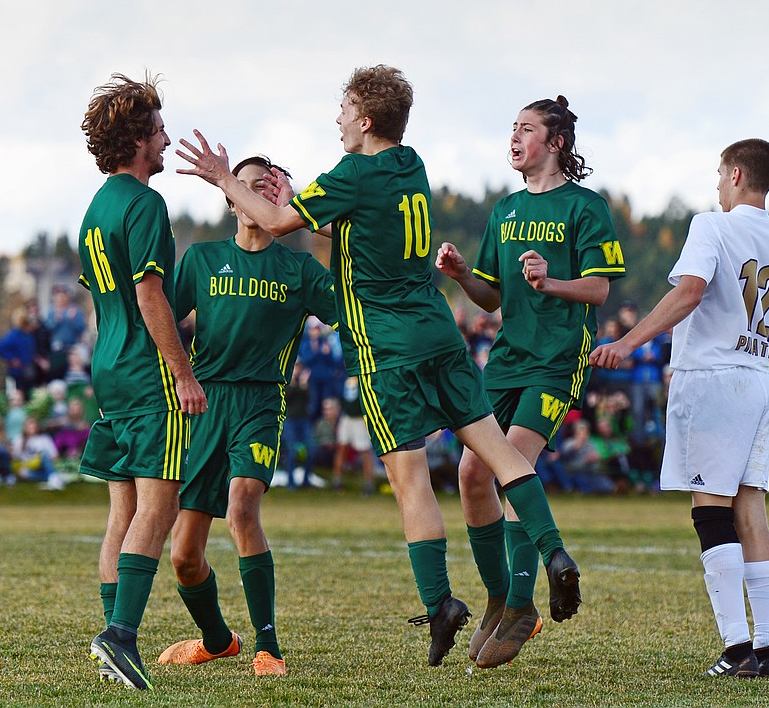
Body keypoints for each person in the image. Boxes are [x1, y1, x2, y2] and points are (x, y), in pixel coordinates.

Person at [177, 65, 582, 667]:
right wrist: (303, 204)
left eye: (342, 112)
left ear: (364, 121)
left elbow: (276, 222)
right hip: (438, 329)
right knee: (497, 451)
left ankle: (441, 601)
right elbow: (347, 222)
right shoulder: (409, 162)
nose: (337, 121)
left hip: (385, 346)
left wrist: (220, 178)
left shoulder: (354, 171)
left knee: (410, 479)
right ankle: (552, 552)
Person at [590, 138, 769, 678]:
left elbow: (690, 291)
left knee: (710, 510)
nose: (717, 185)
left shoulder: (711, 226)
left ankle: (737, 649)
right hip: (762, 383)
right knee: (751, 510)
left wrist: (628, 342)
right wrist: (758, 364)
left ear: (736, 174)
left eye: (720, 174)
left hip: (712, 380)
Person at [435, 95, 624, 667]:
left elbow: (598, 290)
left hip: (558, 358)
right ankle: (502, 598)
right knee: (472, 471)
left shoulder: (586, 207)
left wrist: (551, 282)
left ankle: (525, 599)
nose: (513, 138)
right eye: (511, 128)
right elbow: (493, 296)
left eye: (525, 129)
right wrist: (465, 274)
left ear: (556, 142)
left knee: (512, 458)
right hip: (507, 358)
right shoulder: (506, 210)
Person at [157, 154, 336, 677]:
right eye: (249, 185)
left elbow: (353, 308)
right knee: (183, 557)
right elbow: (160, 315)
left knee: (241, 507)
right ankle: (217, 640)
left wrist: (316, 220)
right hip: (204, 405)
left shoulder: (299, 270)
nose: (260, 193)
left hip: (261, 402)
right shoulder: (203, 259)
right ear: (231, 195)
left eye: (270, 187)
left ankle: (268, 647)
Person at [78, 72, 207, 690]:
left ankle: (111, 636)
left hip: (108, 366)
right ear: (135, 141)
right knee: (162, 503)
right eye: (157, 130)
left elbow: (114, 302)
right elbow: (149, 294)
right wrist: (182, 371)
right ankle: (121, 636)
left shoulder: (95, 208)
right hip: (146, 369)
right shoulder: (144, 204)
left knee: (122, 508)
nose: (164, 139)